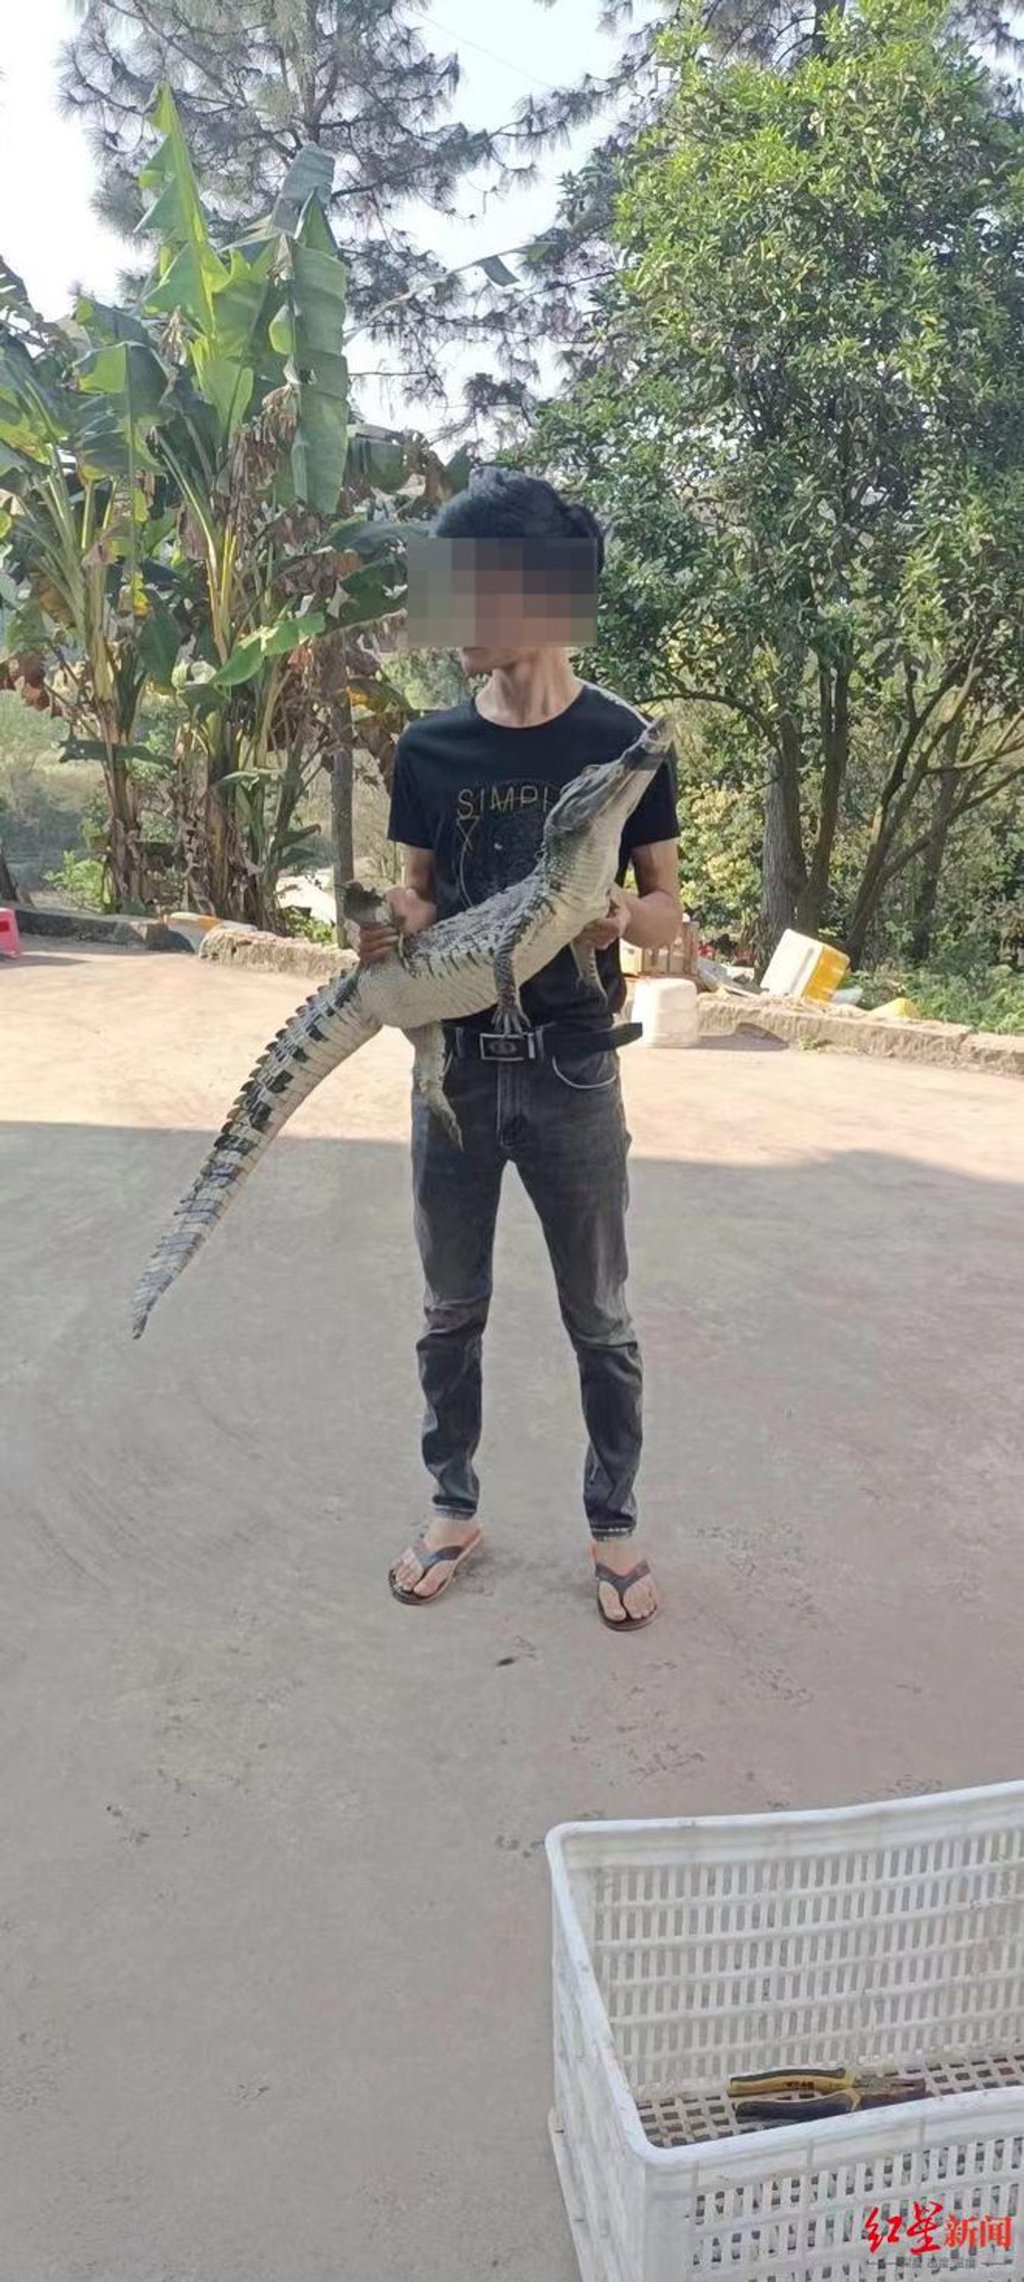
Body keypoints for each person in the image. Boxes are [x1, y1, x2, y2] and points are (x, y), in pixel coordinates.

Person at [353, 470, 681, 1629]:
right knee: (450, 1306)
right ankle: (454, 1505)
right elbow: (418, 895)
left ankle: (614, 1522)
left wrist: (614, 922)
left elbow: (666, 915)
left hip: (576, 1063)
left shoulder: (623, 744)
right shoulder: (430, 745)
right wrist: (384, 920)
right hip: (452, 1066)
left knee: (598, 1310)